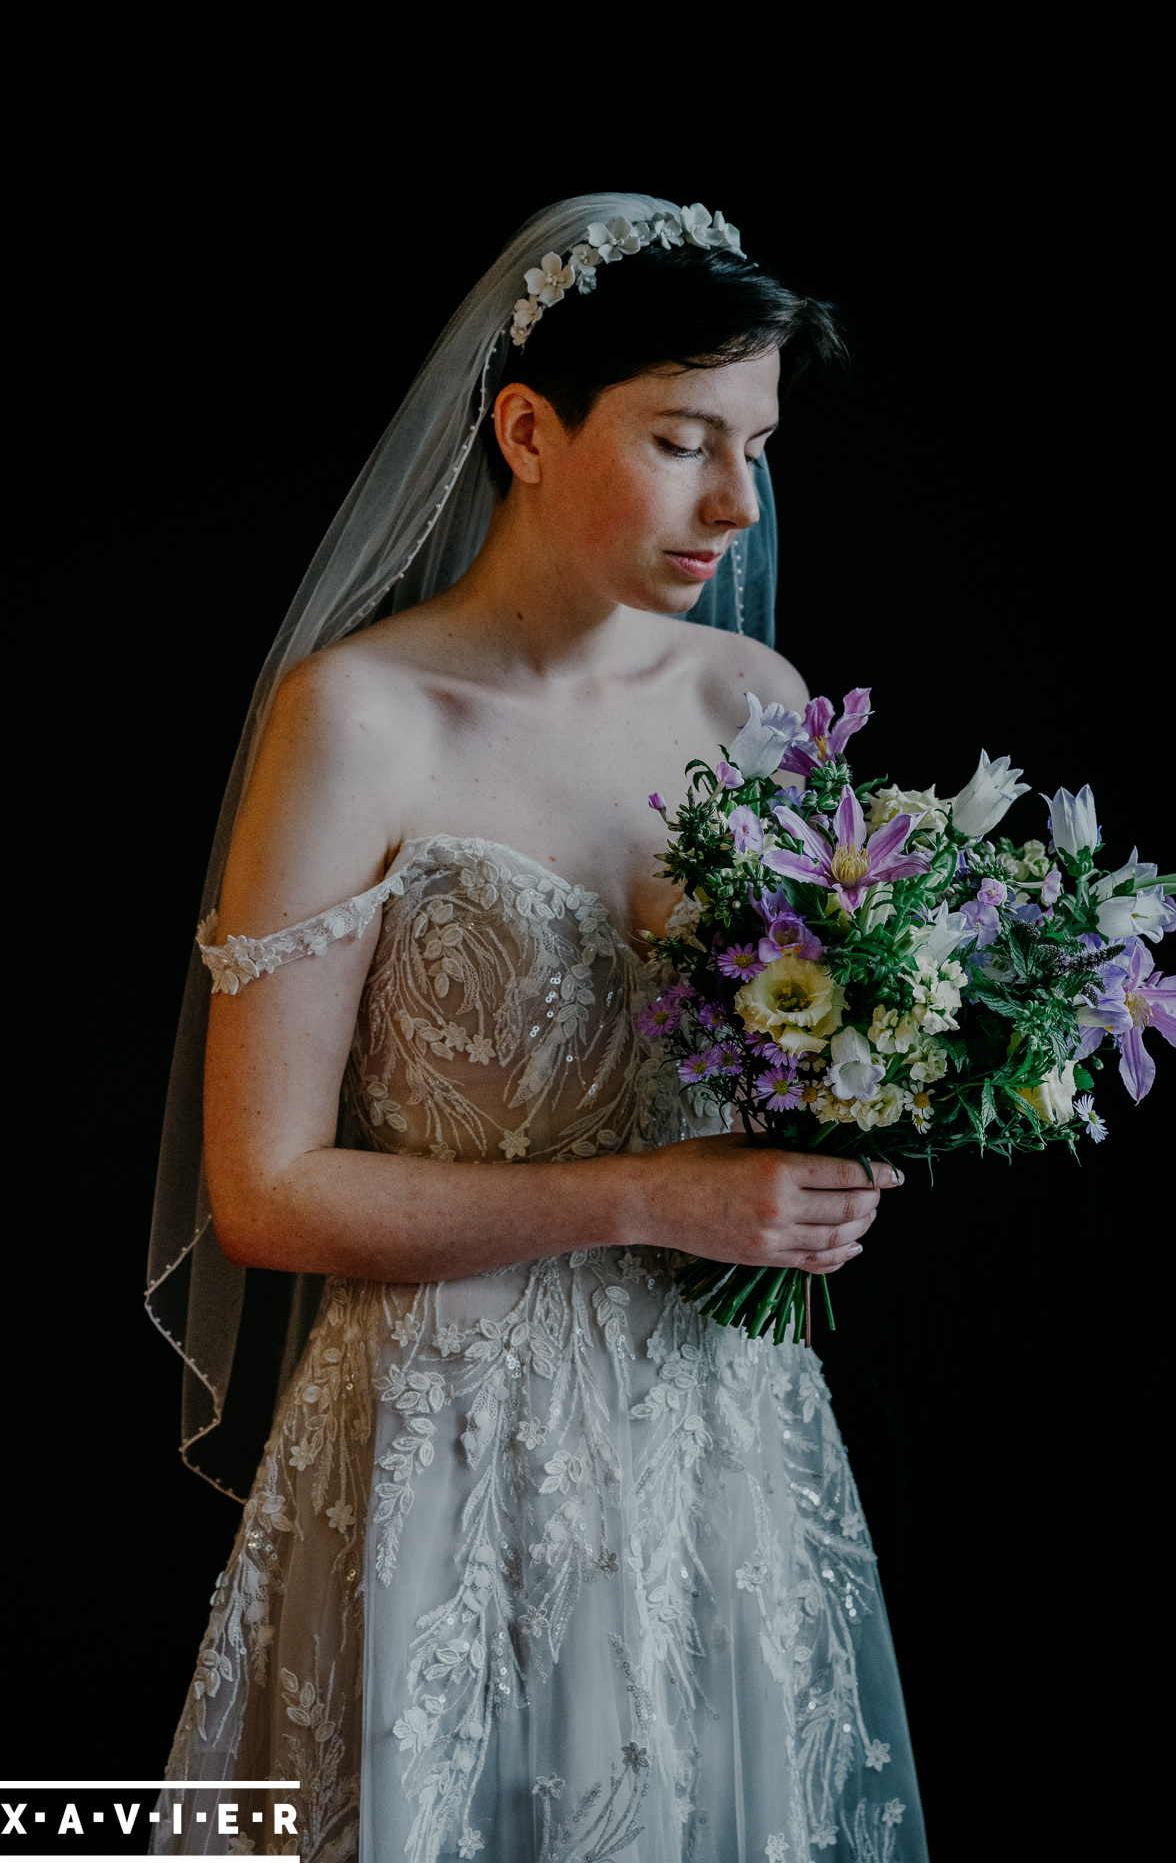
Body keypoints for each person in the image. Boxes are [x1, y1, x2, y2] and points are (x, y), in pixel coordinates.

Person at [149, 194, 928, 1862]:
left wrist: (841, 1156)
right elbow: (264, 1191)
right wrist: (651, 1197)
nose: (736, 502)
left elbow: (808, 1069)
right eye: (681, 440)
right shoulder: (359, 720)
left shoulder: (757, 706)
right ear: (524, 429)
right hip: (445, 1444)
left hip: (715, 1440)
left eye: (756, 449)